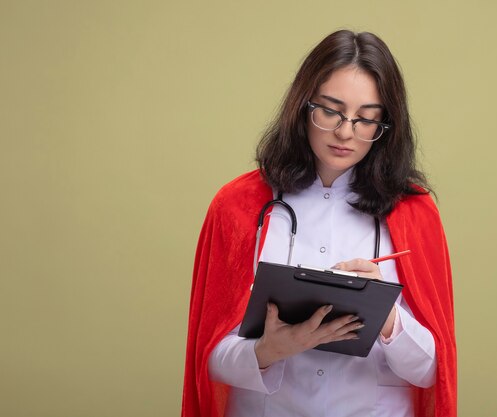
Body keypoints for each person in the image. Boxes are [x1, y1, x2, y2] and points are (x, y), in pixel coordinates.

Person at [182, 30, 456, 417]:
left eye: (366, 119)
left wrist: (387, 317)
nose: (345, 132)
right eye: (330, 111)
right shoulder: (236, 207)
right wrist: (268, 350)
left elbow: (433, 374)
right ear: (301, 105)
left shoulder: (415, 213)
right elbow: (206, 360)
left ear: (386, 126)